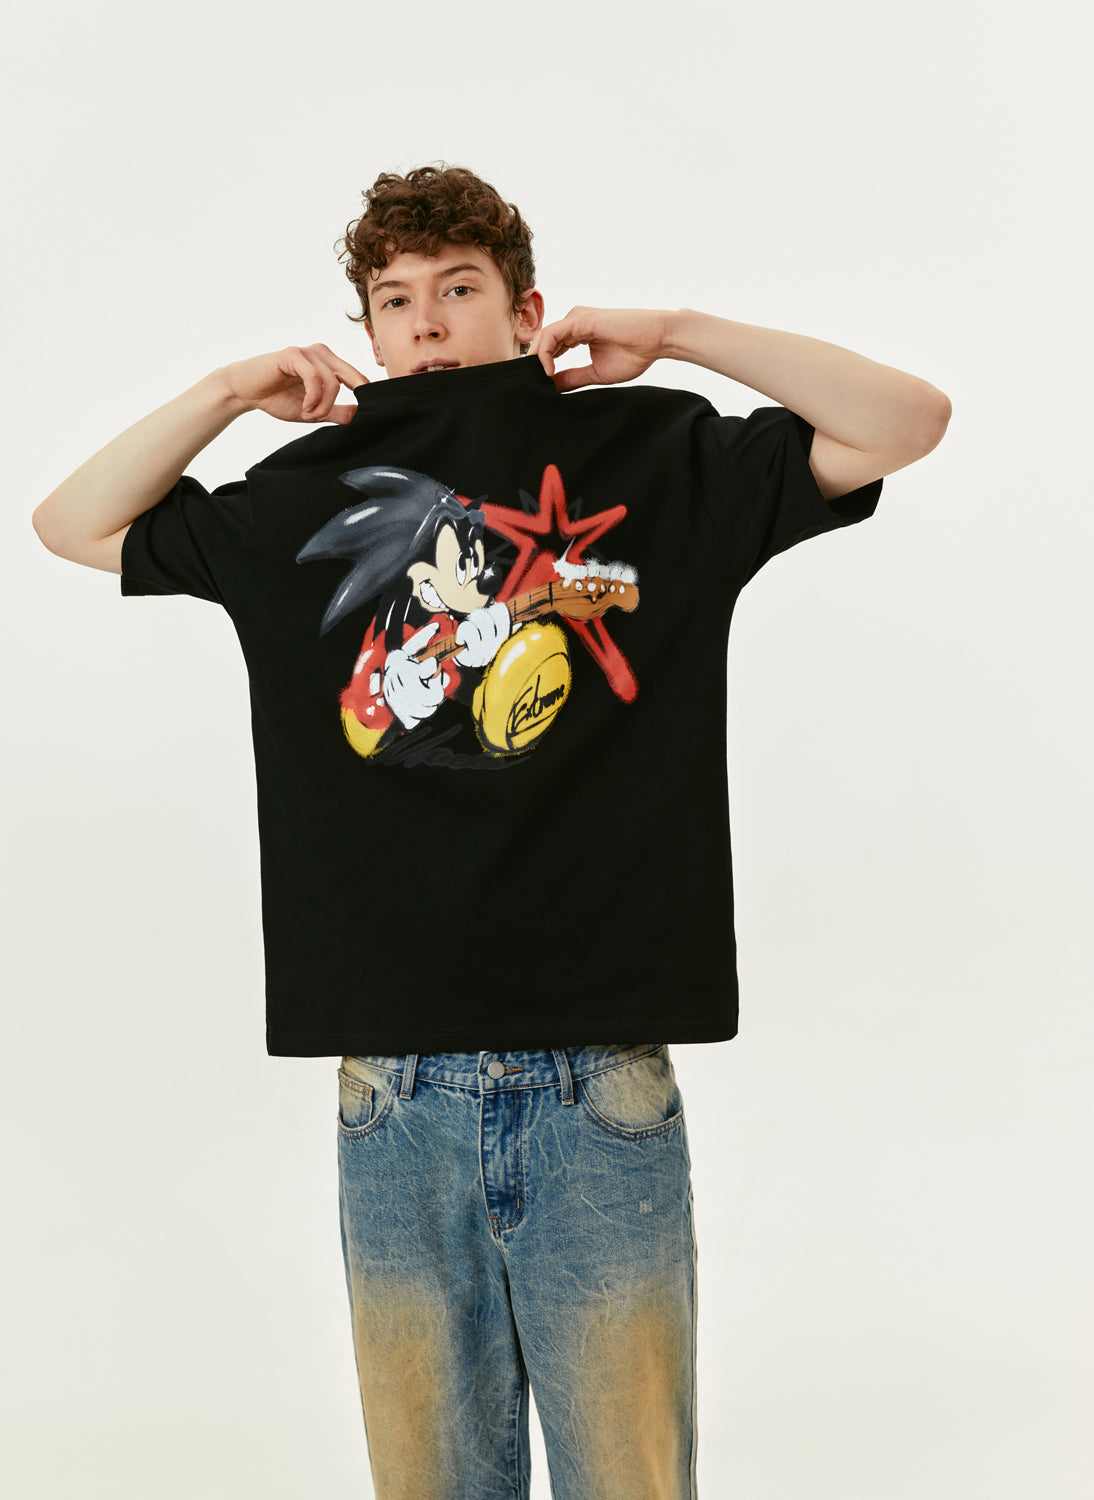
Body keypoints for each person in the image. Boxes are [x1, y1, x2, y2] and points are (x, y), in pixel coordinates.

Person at [32, 162, 950, 1499]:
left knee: (630, 1481)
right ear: (366, 331)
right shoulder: (302, 495)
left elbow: (908, 420)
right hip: (393, 1082)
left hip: (599, 1069)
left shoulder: (653, 456)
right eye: (393, 299)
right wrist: (226, 392)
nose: (425, 321)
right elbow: (70, 523)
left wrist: (676, 332)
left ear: (525, 312)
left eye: (457, 289)